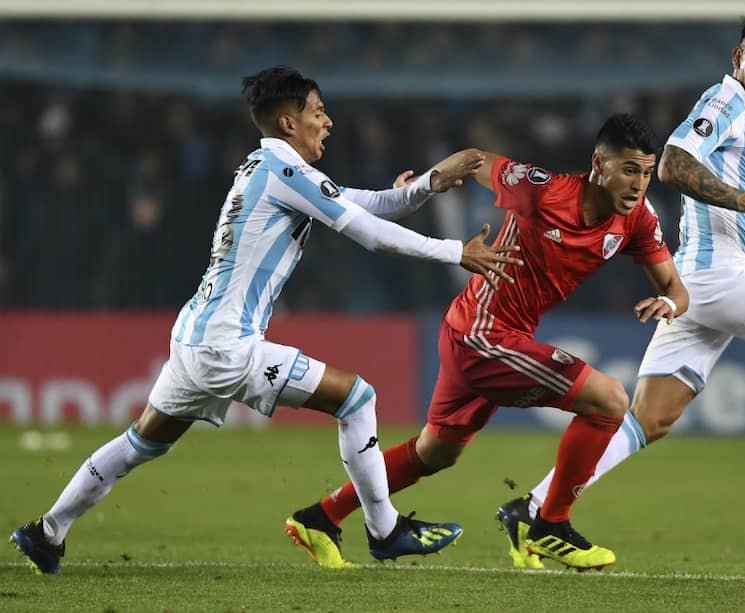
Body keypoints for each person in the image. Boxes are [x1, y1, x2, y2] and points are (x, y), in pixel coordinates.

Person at [9, 65, 523, 575]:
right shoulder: (284, 172)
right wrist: (455, 251)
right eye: (318, 113)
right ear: (287, 123)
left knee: (139, 443)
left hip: (194, 337)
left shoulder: (268, 167)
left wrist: (430, 183)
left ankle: (47, 532)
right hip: (227, 346)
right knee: (357, 398)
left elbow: (363, 205)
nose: (328, 122)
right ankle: (385, 530)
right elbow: (369, 233)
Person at [499, 13, 745, 570]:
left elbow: (718, 223)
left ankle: (535, 509)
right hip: (718, 279)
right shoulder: (725, 101)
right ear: (739, 58)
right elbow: (673, 163)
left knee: (649, 418)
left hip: (703, 278)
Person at [289, 113, 690, 571]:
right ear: (598, 165)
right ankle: (550, 523)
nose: (638, 183)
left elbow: (676, 289)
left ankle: (321, 517)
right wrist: (419, 186)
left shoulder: (637, 219)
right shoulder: (543, 188)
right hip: (481, 333)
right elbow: (477, 160)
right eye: (628, 169)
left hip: (486, 334)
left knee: (434, 453)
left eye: (645, 171)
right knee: (609, 400)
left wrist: (671, 305)